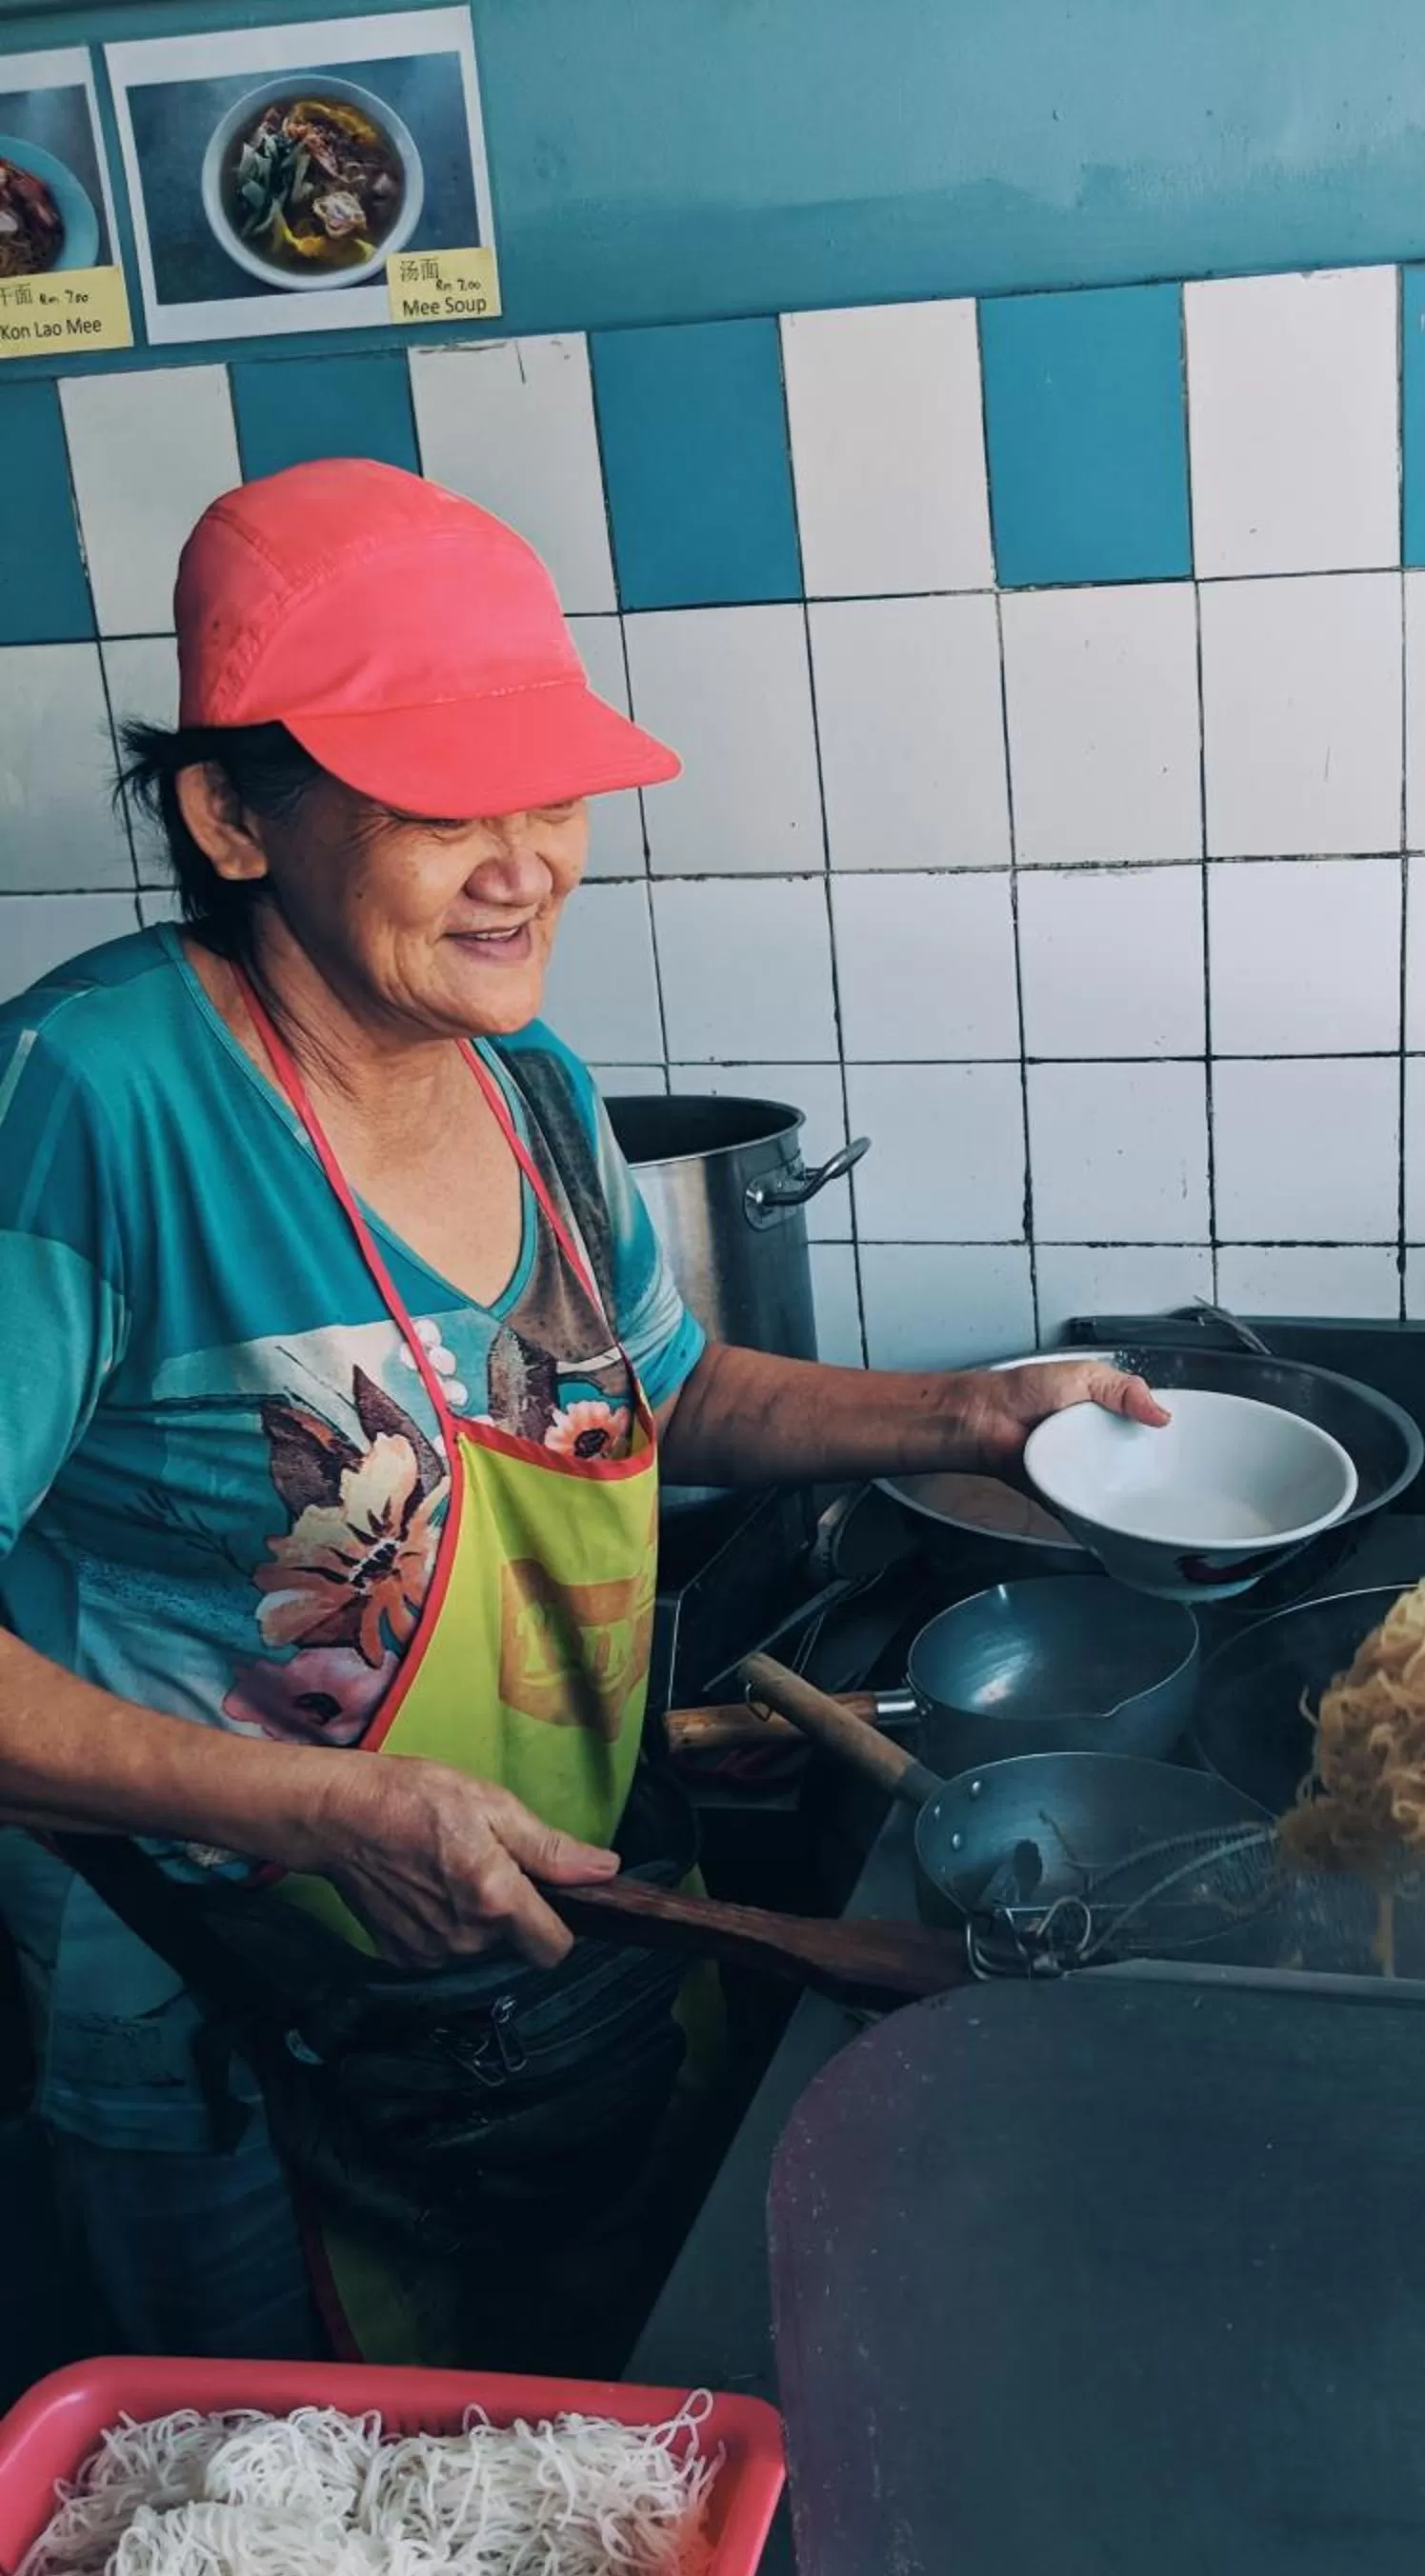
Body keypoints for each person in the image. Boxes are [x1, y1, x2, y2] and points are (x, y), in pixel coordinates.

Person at [0, 458, 1161, 2370]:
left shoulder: (527, 1082)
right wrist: (325, 1806)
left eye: (548, 791)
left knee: (581, 2448)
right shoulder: (93, 1101)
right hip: (229, 2008)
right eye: (441, 802)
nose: (525, 858)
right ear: (231, 812)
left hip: (568, 1929)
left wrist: (974, 1414)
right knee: (304, 2534)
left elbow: (662, 1391)